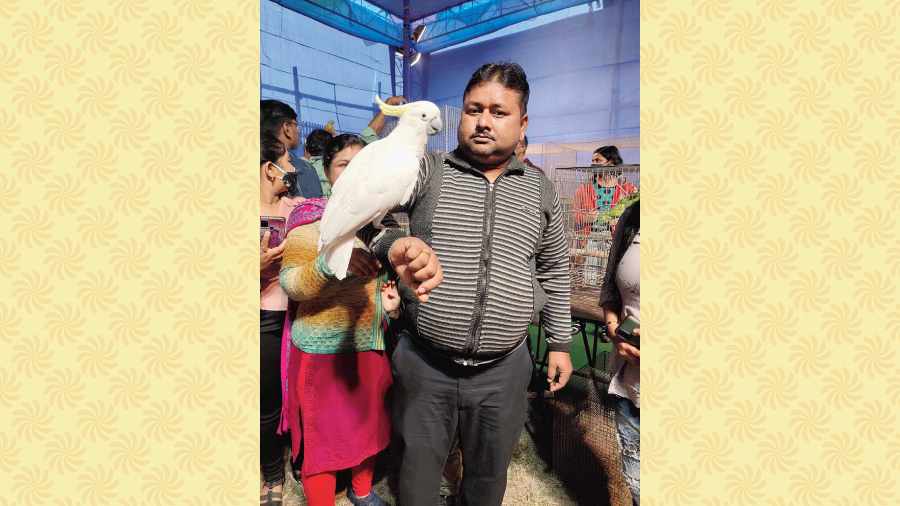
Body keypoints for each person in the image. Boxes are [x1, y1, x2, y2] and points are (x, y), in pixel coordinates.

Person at [358, 62, 573, 506]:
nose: (482, 121)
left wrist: (560, 343)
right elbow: (361, 224)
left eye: (498, 111)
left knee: (487, 480)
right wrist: (394, 245)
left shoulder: (540, 190)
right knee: (416, 479)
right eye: (474, 109)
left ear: (523, 123)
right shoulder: (425, 171)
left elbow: (554, 268)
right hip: (425, 364)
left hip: (504, 370)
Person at [279, 133, 402, 506]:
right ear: (328, 172)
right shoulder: (313, 223)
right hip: (322, 353)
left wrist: (390, 306)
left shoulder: (383, 226)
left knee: (369, 427)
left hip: (369, 344)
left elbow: (382, 287)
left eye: (363, 164)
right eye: (344, 164)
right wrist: (332, 263)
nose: (355, 173)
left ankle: (362, 491)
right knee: (323, 438)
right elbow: (292, 284)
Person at [259, 133, 305, 505]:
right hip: (263, 320)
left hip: (300, 315)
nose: (292, 169)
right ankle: (272, 472)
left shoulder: (298, 208)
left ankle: (303, 460)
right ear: (267, 169)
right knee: (267, 403)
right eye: (287, 162)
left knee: (302, 394)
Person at [598, 197, 640, 505]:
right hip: (632, 382)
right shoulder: (633, 217)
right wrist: (614, 328)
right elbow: (610, 288)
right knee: (637, 479)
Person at [261, 99, 324, 198]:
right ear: (287, 129)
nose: (298, 131)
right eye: (296, 125)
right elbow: (314, 209)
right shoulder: (304, 168)